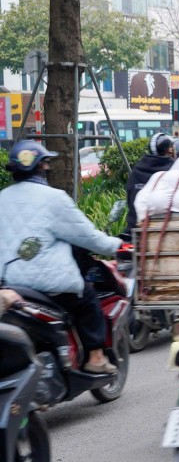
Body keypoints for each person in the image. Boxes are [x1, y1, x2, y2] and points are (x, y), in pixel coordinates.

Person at [0, 140, 122, 374]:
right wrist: (118, 246)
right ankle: (95, 358)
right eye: (46, 163)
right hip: (48, 285)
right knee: (87, 297)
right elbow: (87, 236)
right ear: (41, 167)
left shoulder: (2, 197)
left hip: (9, 283)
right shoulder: (54, 198)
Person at [126, 132, 176, 229]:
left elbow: (129, 196)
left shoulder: (137, 170)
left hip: (134, 228)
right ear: (169, 150)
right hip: (166, 227)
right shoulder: (174, 169)